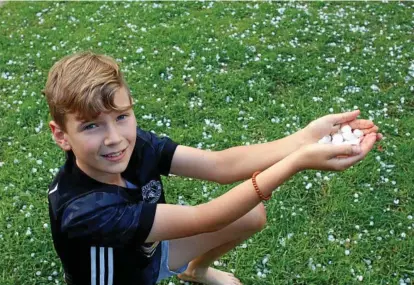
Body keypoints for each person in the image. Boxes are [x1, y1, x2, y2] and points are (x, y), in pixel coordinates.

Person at [43, 51, 382, 285]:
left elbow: (221, 164)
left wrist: (304, 138)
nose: (115, 138)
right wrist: (297, 162)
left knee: (252, 215)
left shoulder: (136, 145)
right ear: (62, 136)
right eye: (91, 126)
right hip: (125, 277)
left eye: (121, 117)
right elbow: (206, 217)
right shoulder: (85, 211)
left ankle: (197, 271)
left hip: (153, 247)